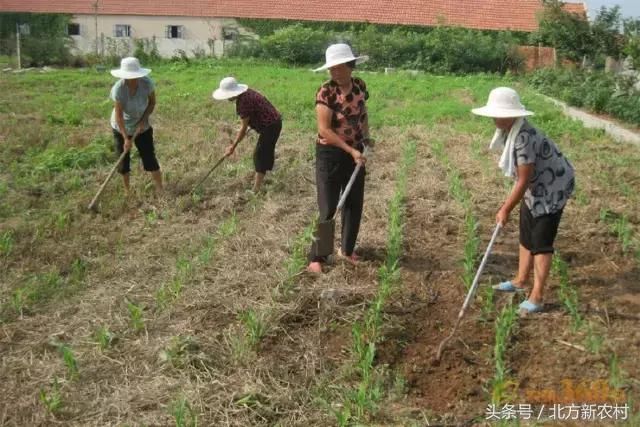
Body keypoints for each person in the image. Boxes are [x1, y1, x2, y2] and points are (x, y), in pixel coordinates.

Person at [471, 87, 575, 315]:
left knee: (541, 242)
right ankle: (520, 281)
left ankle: (537, 297)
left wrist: (505, 208)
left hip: (551, 188)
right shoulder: (510, 132)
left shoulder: (524, 138)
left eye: (498, 114)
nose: (494, 118)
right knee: (526, 234)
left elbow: (524, 179)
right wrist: (512, 205)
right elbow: (524, 179)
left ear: (511, 115)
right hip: (535, 187)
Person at [307, 43, 373, 274]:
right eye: (331, 68)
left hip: (355, 152)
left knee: (354, 203)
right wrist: (350, 150)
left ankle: (347, 250)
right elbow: (324, 130)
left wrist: (366, 138)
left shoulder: (360, 86)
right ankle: (318, 257)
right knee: (328, 205)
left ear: (350, 66)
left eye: (338, 66)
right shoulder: (325, 92)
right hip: (331, 153)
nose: (334, 71)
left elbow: (362, 113)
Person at [212, 77, 282, 193]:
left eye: (228, 95)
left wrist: (232, 147)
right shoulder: (247, 92)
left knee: (259, 155)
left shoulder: (243, 103)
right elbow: (256, 112)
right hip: (274, 121)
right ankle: (266, 173)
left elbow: (243, 128)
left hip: (271, 126)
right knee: (265, 151)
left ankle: (256, 190)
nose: (227, 98)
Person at [110, 57, 162, 194]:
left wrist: (143, 120)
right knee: (123, 162)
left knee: (149, 156)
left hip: (142, 125)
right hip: (122, 126)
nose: (132, 79)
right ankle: (128, 192)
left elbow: (152, 103)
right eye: (129, 77)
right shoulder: (119, 89)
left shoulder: (147, 83)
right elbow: (119, 116)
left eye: (134, 76)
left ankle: (160, 189)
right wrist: (125, 138)